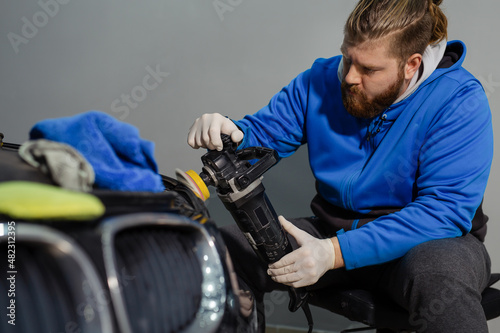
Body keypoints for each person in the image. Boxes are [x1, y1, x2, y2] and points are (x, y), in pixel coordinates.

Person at [187, 0, 494, 332]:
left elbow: (443, 212)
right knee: (218, 253)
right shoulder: (320, 80)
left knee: (439, 284)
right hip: (333, 232)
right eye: (348, 58)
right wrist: (229, 132)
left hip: (428, 243)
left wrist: (333, 253)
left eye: (368, 69)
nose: (349, 77)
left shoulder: (458, 100)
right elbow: (262, 135)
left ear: (411, 64)